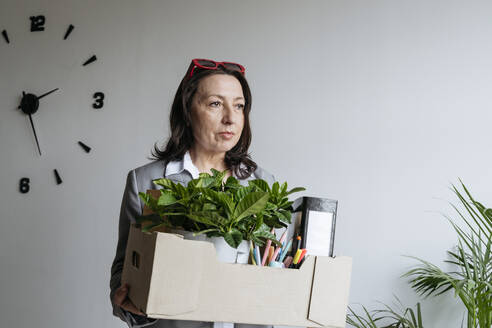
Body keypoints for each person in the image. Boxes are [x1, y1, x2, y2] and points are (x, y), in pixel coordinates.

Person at [109, 58, 277, 328]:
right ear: (187, 111)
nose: (231, 118)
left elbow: (271, 270)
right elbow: (124, 271)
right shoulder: (146, 181)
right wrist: (136, 308)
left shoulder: (262, 185)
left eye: (239, 106)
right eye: (215, 104)